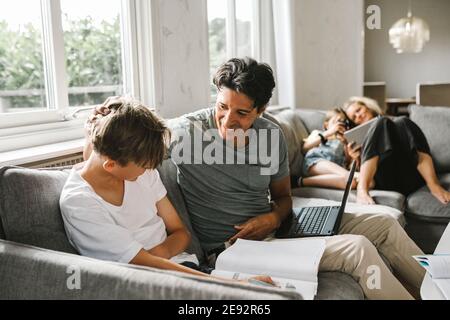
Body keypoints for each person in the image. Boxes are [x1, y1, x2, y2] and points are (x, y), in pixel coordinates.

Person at [92, 59, 426, 299]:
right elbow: (132, 137)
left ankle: (438, 292)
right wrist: (103, 117)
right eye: (222, 107)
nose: (227, 121)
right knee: (356, 249)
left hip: (276, 229)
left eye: (241, 113)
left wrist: (273, 216)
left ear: (262, 110)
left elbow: (283, 196)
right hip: (232, 248)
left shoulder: (271, 134)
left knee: (384, 225)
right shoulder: (186, 132)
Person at [60, 97, 274, 285]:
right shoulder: (79, 203)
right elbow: (142, 267)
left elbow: (181, 233)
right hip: (154, 284)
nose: (149, 169)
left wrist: (158, 253)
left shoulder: (138, 170)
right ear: (111, 165)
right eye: (143, 165)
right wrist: (236, 285)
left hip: (186, 269)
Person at [344, 96, 450, 205]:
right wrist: (356, 158)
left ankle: (434, 185)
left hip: (411, 175)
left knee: (402, 121)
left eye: (358, 110)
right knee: (381, 122)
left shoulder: (395, 123)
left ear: (368, 107)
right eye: (354, 117)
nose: (358, 116)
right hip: (386, 181)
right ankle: (362, 190)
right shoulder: (358, 141)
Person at [291, 108, 361, 190]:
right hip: (316, 161)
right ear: (326, 125)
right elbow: (305, 148)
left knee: (352, 183)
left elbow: (349, 163)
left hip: (337, 170)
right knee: (350, 179)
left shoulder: (345, 140)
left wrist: (346, 143)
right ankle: (299, 181)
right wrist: (329, 133)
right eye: (337, 122)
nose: (340, 125)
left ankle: (300, 181)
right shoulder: (319, 133)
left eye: (344, 122)